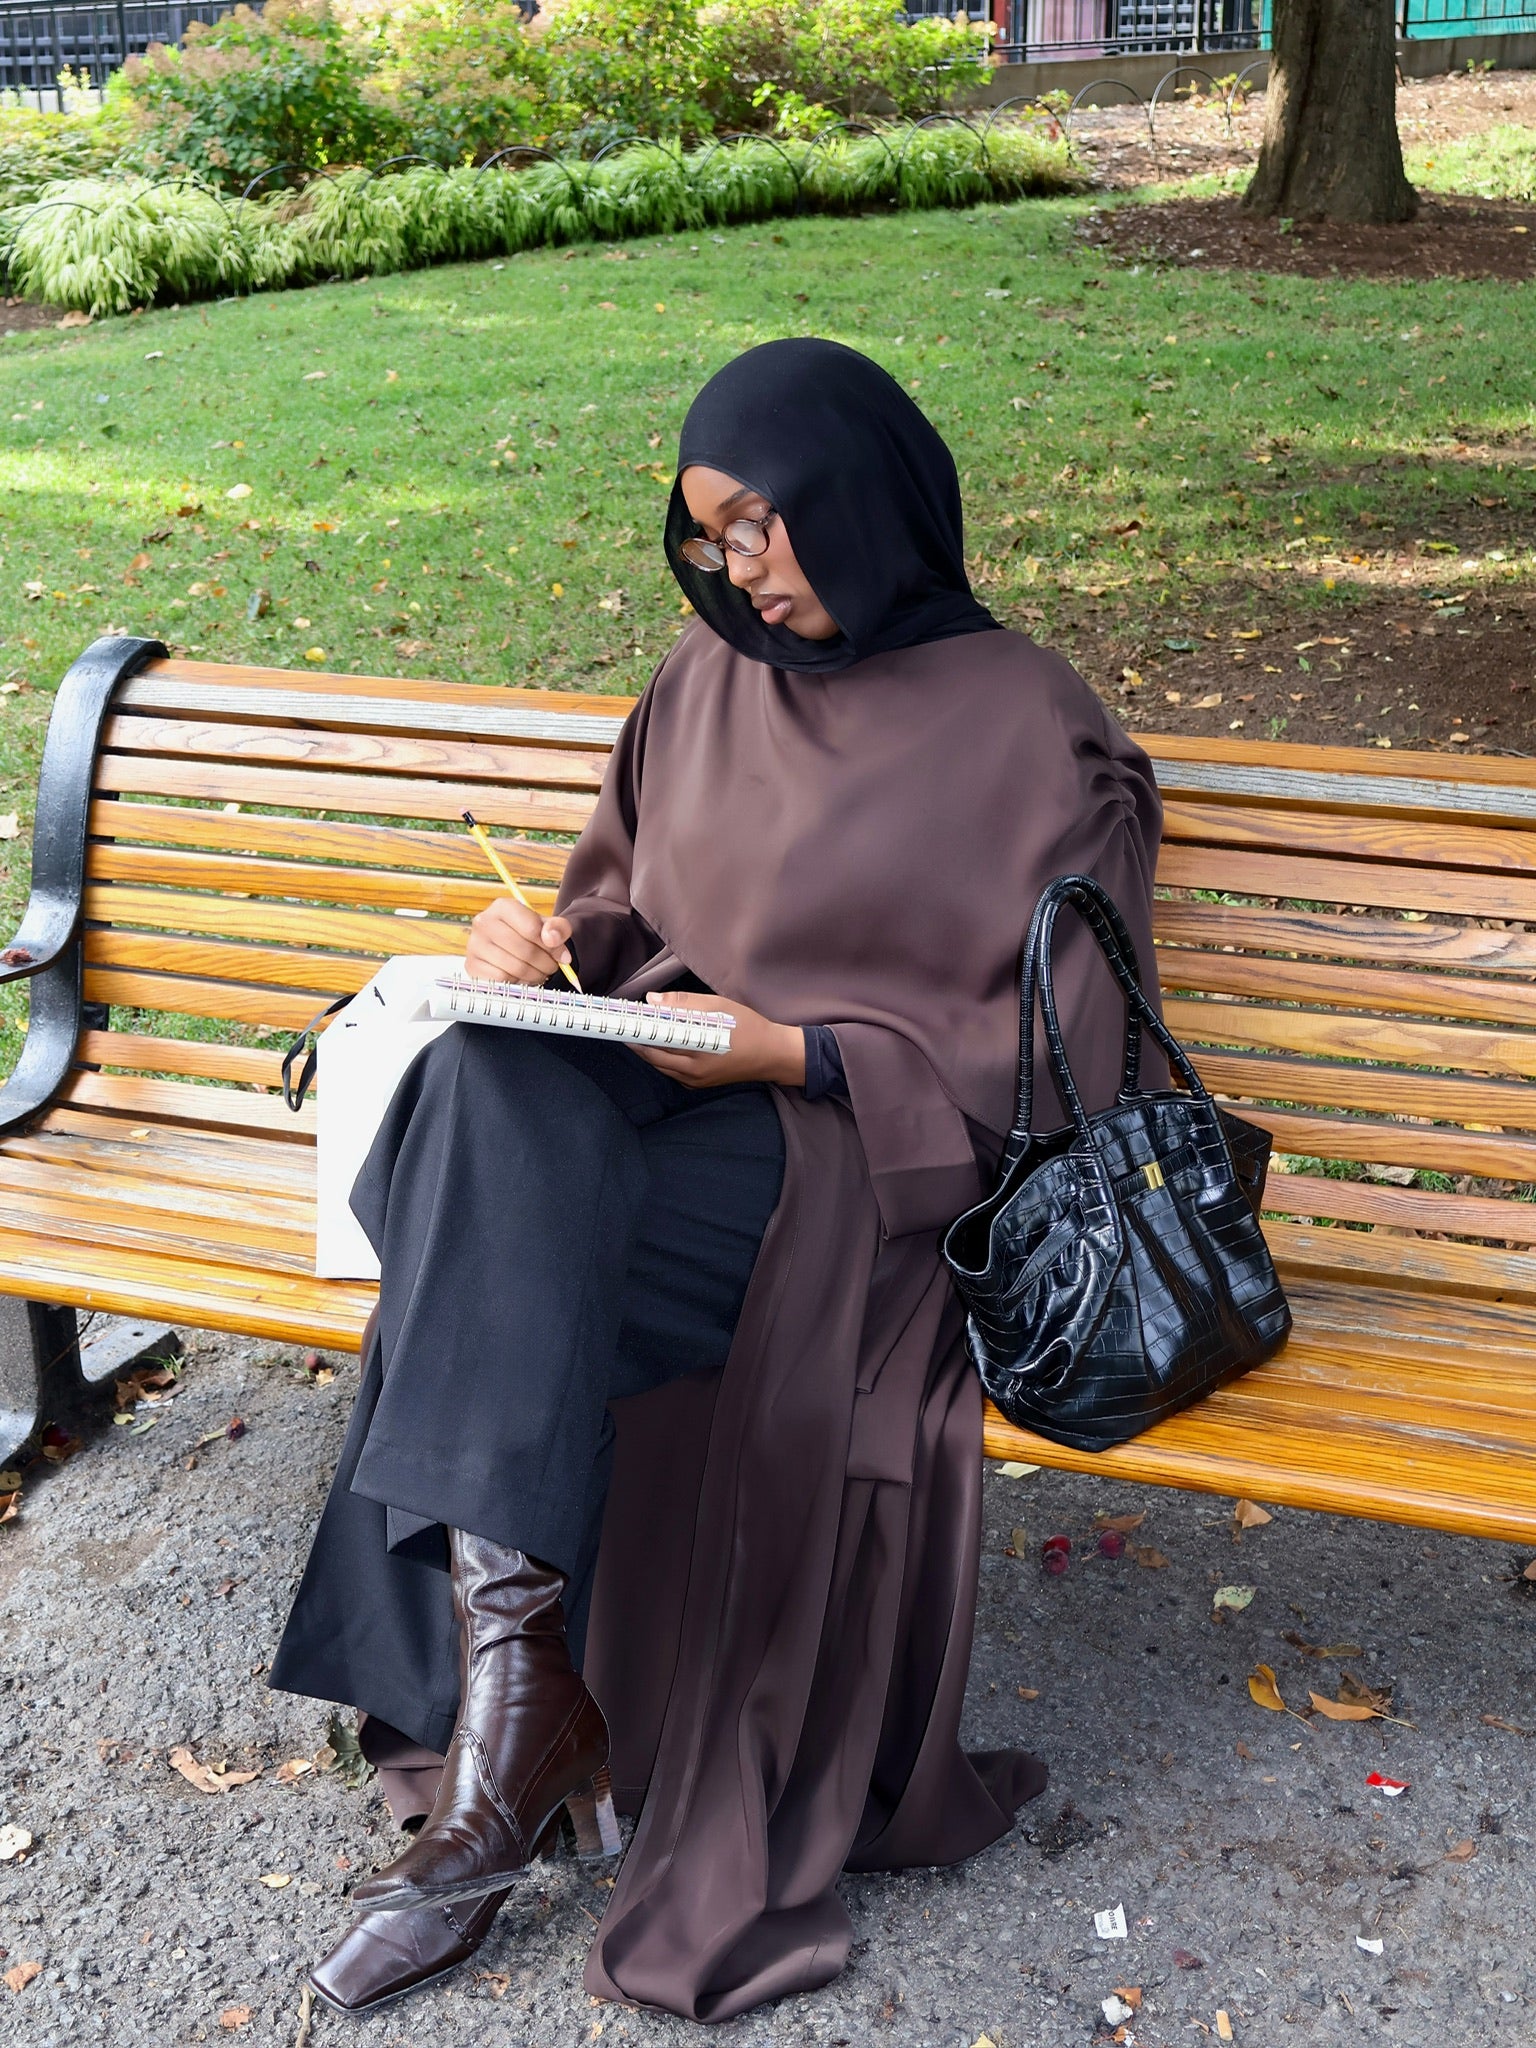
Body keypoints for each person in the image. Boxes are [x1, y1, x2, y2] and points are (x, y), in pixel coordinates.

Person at [270, 336, 1166, 2023]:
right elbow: (622, 920)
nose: (737, 569)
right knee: (477, 1069)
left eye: (762, 525)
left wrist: (796, 1054)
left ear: (864, 497)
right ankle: (527, 1701)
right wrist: (533, 944)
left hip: (850, 1167)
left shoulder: (1033, 731)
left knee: (503, 1231)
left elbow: (1062, 1070)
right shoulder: (705, 680)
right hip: (658, 1096)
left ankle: (493, 1783)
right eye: (710, 539)